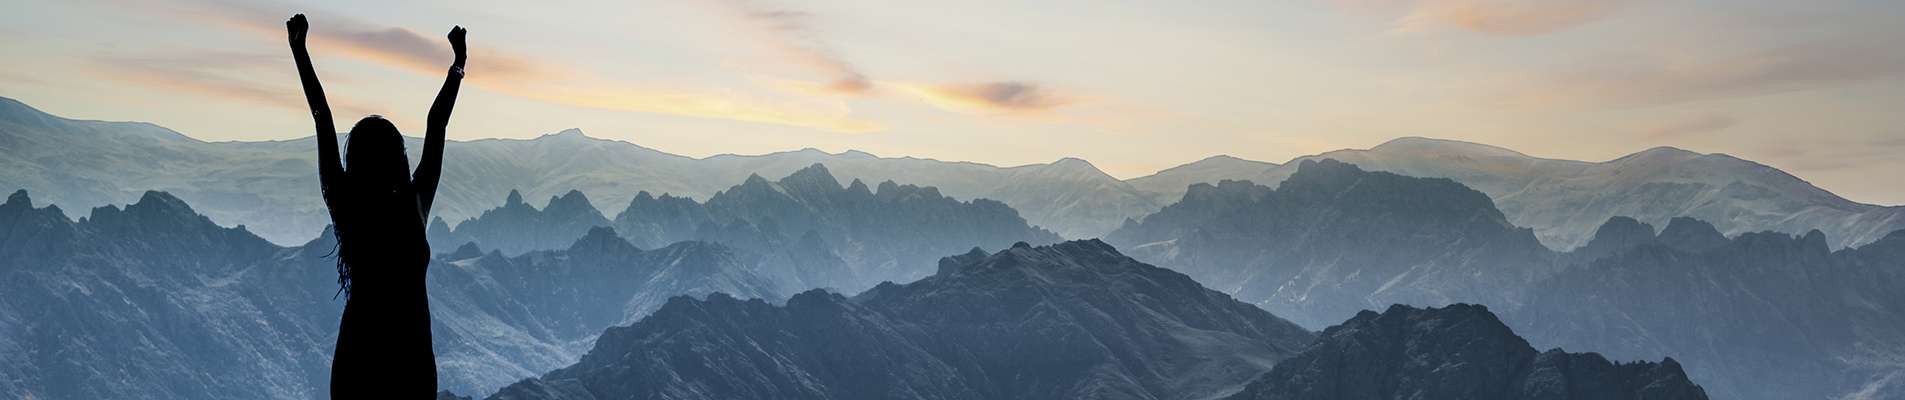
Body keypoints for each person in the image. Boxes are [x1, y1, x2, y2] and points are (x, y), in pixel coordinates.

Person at [287, 13, 464, 398]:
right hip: (412, 358)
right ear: (399, 157)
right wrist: (458, 66)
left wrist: (299, 51)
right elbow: (437, 125)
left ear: (356, 161)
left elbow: (322, 117)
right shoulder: (415, 203)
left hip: (358, 357)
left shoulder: (346, 205)